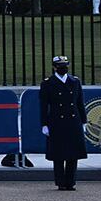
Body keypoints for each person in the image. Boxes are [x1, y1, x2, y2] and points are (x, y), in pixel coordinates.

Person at [38, 56, 88, 191]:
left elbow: (79, 103)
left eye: (65, 65)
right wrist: (44, 124)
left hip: (73, 120)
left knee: (73, 153)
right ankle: (60, 182)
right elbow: (44, 105)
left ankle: (71, 182)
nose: (63, 68)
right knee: (58, 153)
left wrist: (84, 121)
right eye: (60, 66)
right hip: (56, 121)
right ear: (54, 67)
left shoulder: (75, 81)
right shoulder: (48, 83)